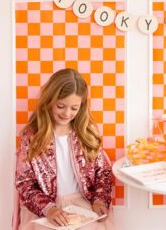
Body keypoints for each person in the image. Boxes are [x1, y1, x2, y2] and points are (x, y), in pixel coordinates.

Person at [13, 68, 114, 230]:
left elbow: (103, 173)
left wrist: (99, 200)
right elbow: (25, 183)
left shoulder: (87, 133)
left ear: (81, 106)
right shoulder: (32, 137)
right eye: (61, 106)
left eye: (74, 108)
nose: (67, 113)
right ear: (49, 101)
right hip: (45, 208)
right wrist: (49, 209)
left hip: (82, 204)